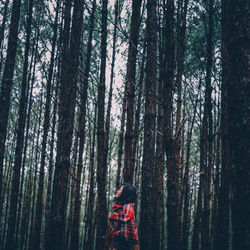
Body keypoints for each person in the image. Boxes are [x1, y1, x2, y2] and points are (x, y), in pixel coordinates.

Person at [104, 183, 139, 250]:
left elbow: (127, 235)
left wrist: (115, 234)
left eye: (120, 190)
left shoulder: (128, 207)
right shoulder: (120, 210)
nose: (118, 191)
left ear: (125, 194)